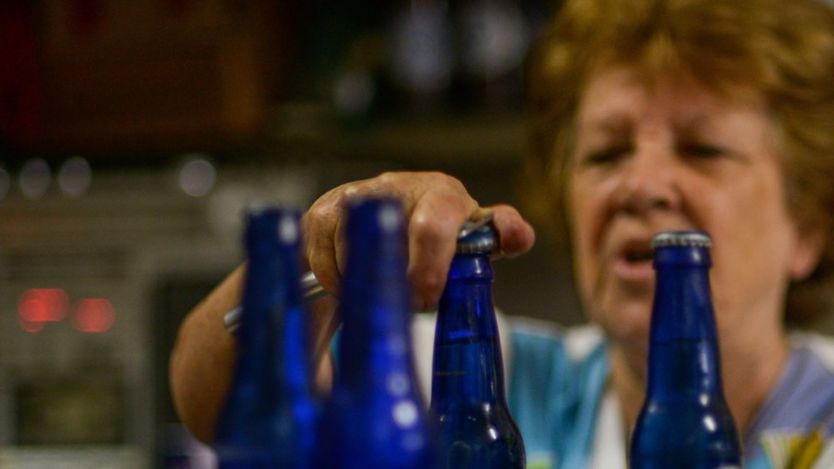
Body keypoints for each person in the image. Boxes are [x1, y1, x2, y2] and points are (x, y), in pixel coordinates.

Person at [169, 0, 834, 466]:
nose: (642, 183)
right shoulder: (490, 382)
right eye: (604, 153)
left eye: (703, 149)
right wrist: (339, 250)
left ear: (809, 222)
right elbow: (220, 402)